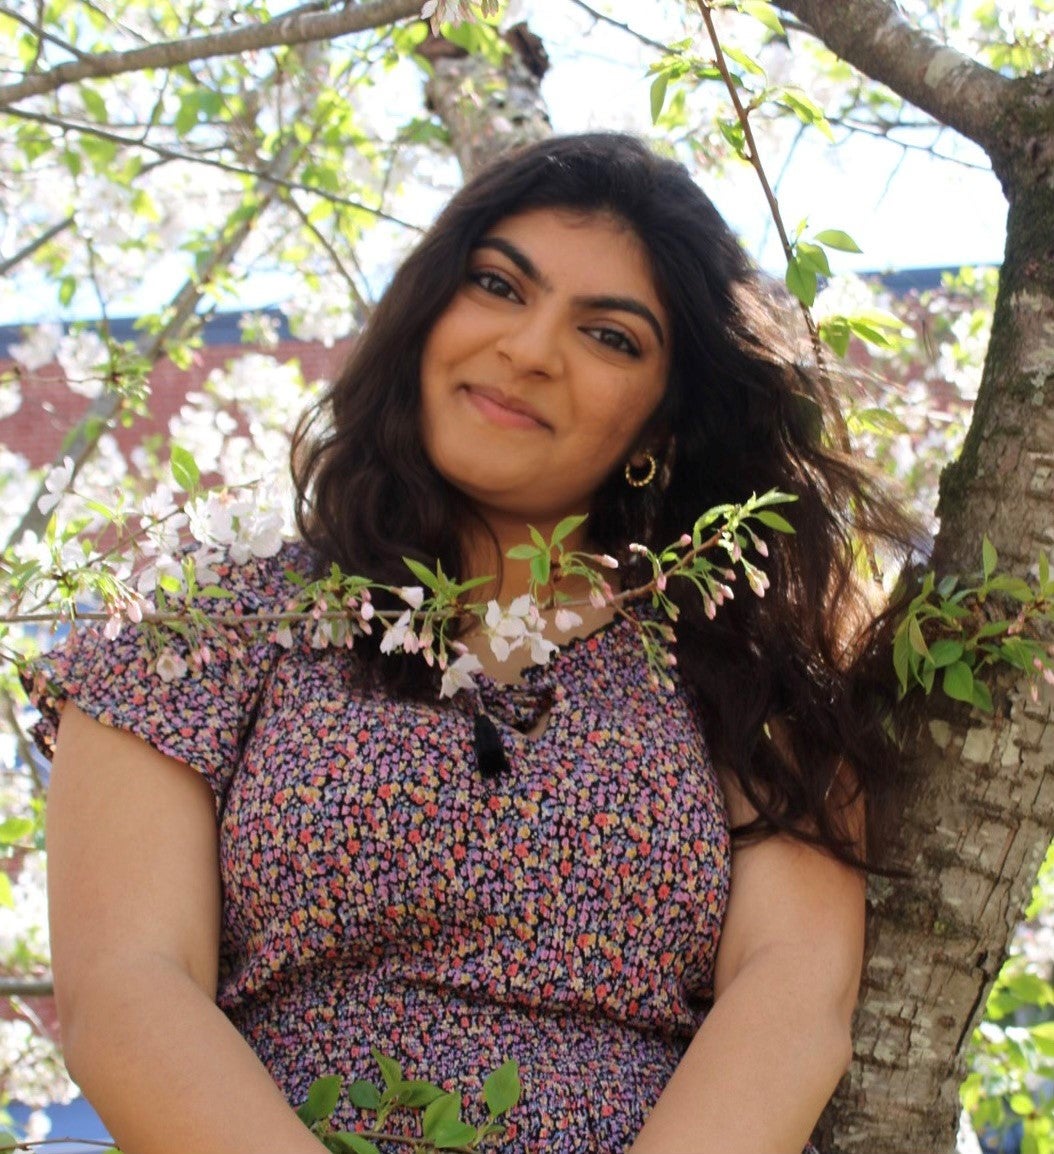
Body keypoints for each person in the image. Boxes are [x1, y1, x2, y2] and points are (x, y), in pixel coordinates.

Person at [29, 133, 918, 1153]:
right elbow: (127, 987)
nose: (530, 348)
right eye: (498, 284)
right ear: (428, 310)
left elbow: (791, 998)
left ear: (663, 423)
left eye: (610, 337)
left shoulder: (743, 661)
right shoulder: (205, 615)